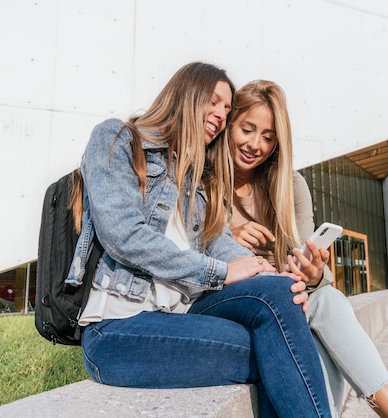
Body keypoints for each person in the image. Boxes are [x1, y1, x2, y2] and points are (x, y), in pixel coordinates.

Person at [66, 62, 332, 417]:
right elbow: (124, 235)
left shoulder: (197, 176)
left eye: (227, 108)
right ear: (187, 94)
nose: (222, 115)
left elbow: (218, 241)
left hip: (184, 312)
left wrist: (273, 276)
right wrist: (218, 274)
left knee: (280, 295)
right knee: (276, 349)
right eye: (215, 102)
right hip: (119, 328)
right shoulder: (118, 139)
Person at [228, 80, 388, 418]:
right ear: (230, 124)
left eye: (269, 137)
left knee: (326, 301)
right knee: (301, 311)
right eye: (247, 129)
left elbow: (314, 272)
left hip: (288, 294)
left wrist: (312, 272)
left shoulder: (290, 184)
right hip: (238, 298)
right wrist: (231, 237)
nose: (255, 145)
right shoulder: (205, 185)